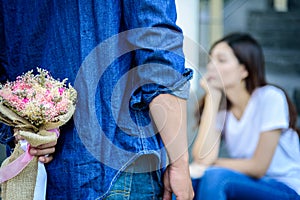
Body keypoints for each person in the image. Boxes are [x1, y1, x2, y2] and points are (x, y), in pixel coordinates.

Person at [0, 1, 194, 199]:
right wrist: (179, 162)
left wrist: (25, 133)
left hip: (38, 173)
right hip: (122, 162)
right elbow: (158, 51)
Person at [190, 33, 300, 199]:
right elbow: (202, 156)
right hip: (246, 182)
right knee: (188, 181)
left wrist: (211, 164)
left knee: (215, 177)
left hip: (284, 188)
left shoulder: (271, 97)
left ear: (244, 70)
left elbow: (258, 167)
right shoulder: (223, 110)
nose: (211, 66)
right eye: (210, 60)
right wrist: (213, 97)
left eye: (221, 60)